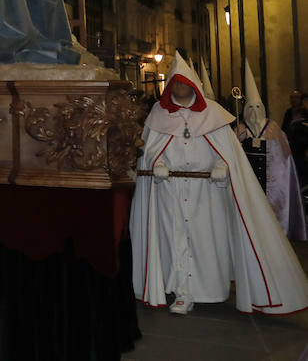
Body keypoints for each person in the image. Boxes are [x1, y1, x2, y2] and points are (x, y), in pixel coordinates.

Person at [131, 52, 308, 315]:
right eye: (174, 83)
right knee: (174, 239)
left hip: (208, 193)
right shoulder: (158, 113)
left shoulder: (213, 114)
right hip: (169, 191)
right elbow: (150, 151)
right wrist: (156, 164)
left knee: (206, 241)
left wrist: (221, 166)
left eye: (183, 83)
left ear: (192, 86)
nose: (179, 88)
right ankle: (182, 291)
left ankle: (209, 289)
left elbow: (229, 154)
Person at [236, 61, 306, 240]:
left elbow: (284, 158)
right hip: (249, 178)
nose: (254, 111)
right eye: (250, 107)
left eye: (258, 107)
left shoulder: (273, 128)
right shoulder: (241, 129)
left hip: (270, 181)